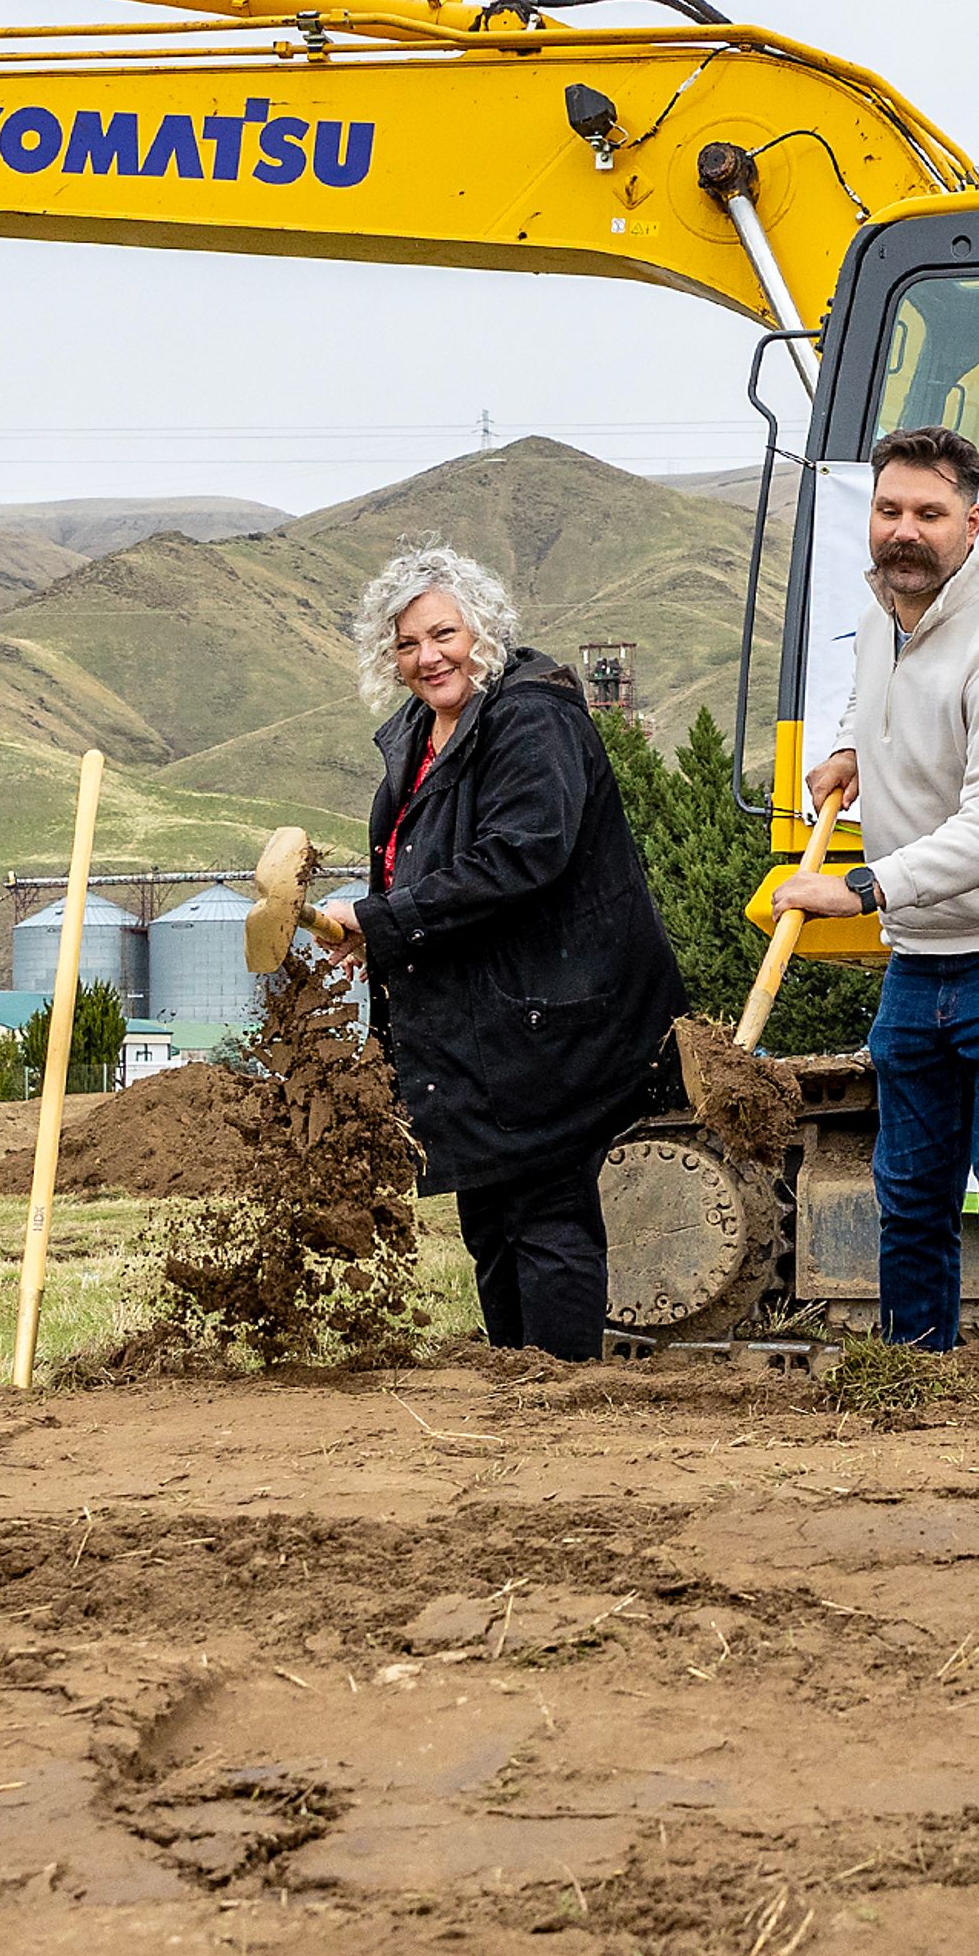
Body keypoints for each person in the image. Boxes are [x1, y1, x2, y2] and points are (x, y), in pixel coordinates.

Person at [775, 425, 979, 1361]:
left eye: (929, 513)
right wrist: (851, 743)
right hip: (926, 957)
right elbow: (874, 688)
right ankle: (911, 1389)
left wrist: (868, 885)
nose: (905, 530)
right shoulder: (889, 609)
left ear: (972, 523)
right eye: (890, 510)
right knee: (910, 1195)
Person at [312, 544, 685, 1362]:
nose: (428, 656)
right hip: (482, 1020)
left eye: (443, 633)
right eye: (407, 644)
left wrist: (381, 920)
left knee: (547, 1206)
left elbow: (521, 856)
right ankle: (516, 1383)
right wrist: (373, 931)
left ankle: (558, 1394)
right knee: (490, 1212)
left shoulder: (529, 715)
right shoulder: (418, 731)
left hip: (557, 1012)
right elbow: (417, 864)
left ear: (485, 629)